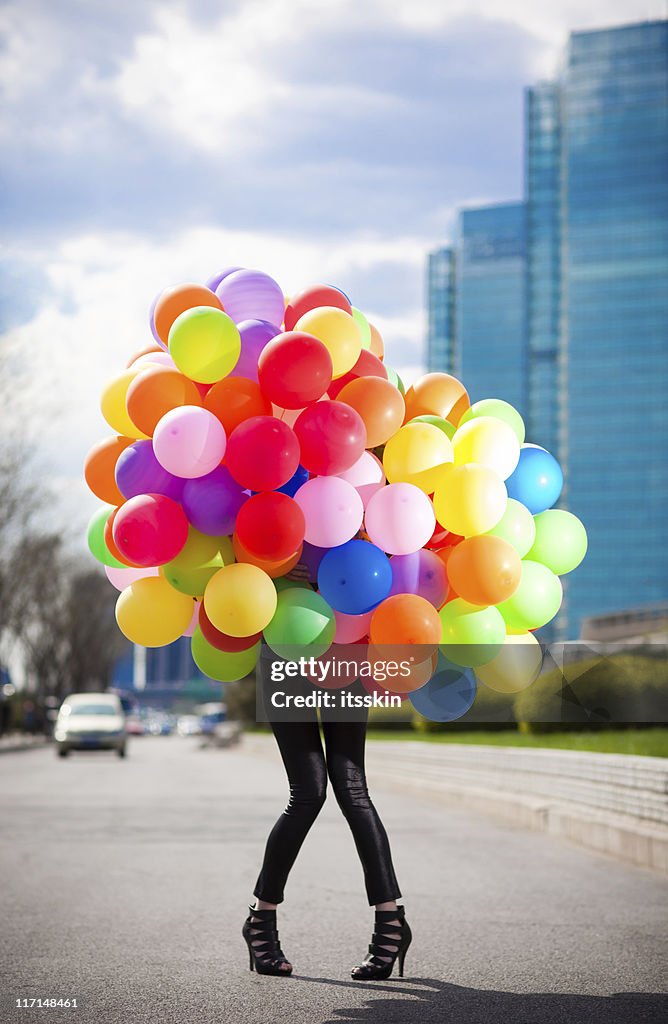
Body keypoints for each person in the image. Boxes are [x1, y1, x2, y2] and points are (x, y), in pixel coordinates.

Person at [242, 573, 412, 980]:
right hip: (285, 639)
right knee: (309, 791)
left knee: (352, 787)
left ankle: (391, 921)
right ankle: (261, 920)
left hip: (346, 638)